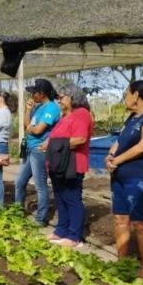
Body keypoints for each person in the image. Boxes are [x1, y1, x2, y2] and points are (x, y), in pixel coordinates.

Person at [104, 79, 143, 279]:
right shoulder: (132, 117)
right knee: (120, 219)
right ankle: (122, 264)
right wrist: (110, 155)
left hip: (139, 178)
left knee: (141, 223)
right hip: (119, 177)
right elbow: (120, 141)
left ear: (136, 95)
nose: (124, 98)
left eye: (126, 94)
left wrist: (117, 160)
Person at [48, 85, 94, 247]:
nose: (58, 101)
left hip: (72, 163)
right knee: (60, 197)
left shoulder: (81, 114)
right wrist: (49, 144)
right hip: (59, 163)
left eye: (61, 97)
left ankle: (75, 236)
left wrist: (54, 146)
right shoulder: (66, 115)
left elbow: (80, 139)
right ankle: (61, 230)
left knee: (72, 198)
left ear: (72, 97)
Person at [18, 80, 61, 227]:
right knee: (19, 182)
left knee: (40, 186)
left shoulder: (52, 108)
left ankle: (41, 218)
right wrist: (28, 110)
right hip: (30, 149)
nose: (31, 95)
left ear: (41, 94)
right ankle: (17, 211)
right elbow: (27, 125)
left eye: (33, 92)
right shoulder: (37, 107)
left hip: (39, 150)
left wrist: (30, 128)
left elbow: (37, 130)